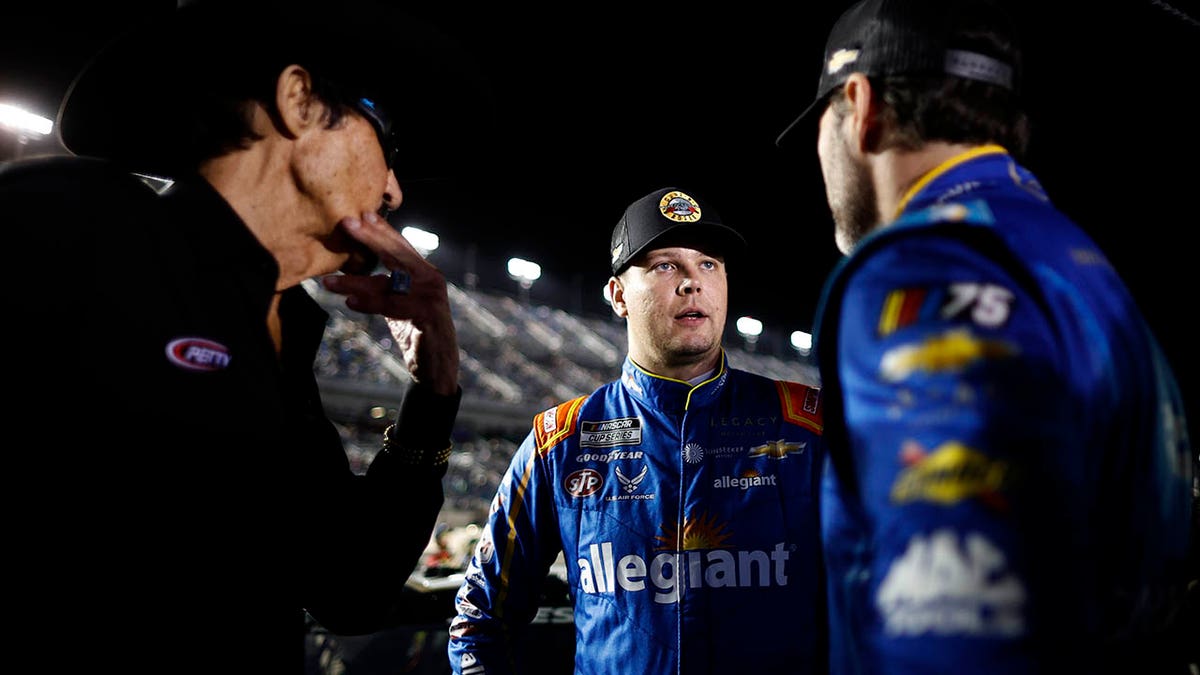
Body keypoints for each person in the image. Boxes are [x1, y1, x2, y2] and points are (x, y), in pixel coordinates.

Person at [3, 1, 466, 671]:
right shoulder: (70, 221)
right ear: (300, 101)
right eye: (385, 142)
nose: (394, 190)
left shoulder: (287, 329)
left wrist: (433, 390)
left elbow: (352, 589)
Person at [774, 0, 1197, 672]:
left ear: (860, 106)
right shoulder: (1075, 262)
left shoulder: (927, 264)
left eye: (822, 122)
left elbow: (953, 624)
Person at [446, 186, 829, 674]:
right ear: (618, 294)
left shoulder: (807, 423)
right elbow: (480, 616)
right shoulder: (558, 441)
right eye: (665, 265)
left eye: (709, 264)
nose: (692, 283)